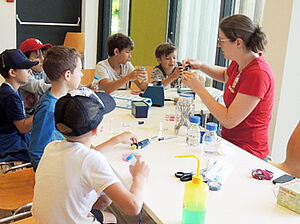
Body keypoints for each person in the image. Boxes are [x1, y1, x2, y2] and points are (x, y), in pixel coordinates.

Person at [32, 87, 150, 223]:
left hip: (44, 219)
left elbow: (82, 158)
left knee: (105, 197)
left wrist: (116, 140)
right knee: (112, 218)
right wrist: (139, 177)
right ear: (97, 128)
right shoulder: (91, 160)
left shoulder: (52, 147)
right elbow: (133, 207)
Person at [182, 14, 275, 160]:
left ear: (238, 42)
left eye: (222, 41)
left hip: (248, 154)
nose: (219, 45)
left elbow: (228, 120)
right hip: (229, 145)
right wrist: (201, 66)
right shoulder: (240, 62)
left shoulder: (258, 74)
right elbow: (226, 76)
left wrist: (198, 88)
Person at [28, 46, 83, 170]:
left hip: (66, 158)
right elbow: (36, 151)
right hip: (55, 171)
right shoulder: (48, 108)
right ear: (67, 75)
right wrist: (47, 178)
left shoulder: (65, 99)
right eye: (79, 70)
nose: (82, 74)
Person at [0, 49, 38, 162]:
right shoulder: (9, 95)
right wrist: (42, 110)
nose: (30, 71)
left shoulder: (14, 91)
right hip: (9, 145)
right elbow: (23, 128)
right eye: (26, 68)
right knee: (39, 156)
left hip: (14, 140)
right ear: (12, 72)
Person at [19, 38, 52, 115]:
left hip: (37, 111)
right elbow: (39, 87)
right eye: (37, 57)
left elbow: (56, 80)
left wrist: (80, 87)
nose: (43, 60)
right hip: (25, 114)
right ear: (25, 60)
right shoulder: (23, 75)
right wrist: (61, 88)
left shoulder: (43, 71)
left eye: (43, 56)